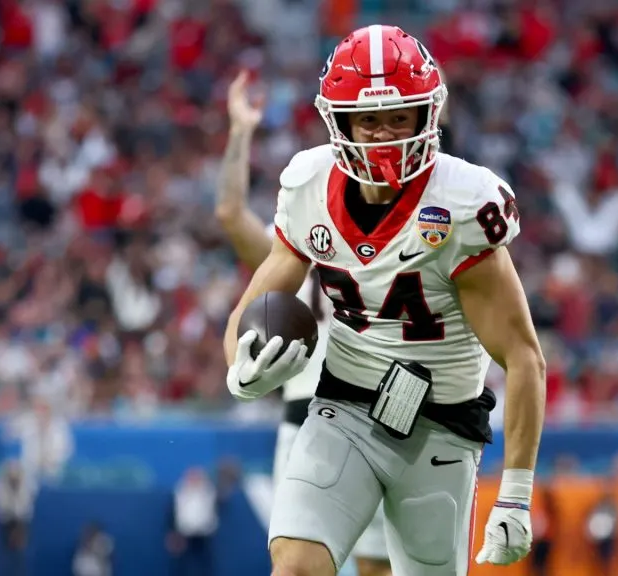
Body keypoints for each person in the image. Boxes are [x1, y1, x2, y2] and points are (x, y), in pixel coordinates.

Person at [223, 24, 546, 576]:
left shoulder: (464, 203)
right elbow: (256, 301)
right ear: (339, 122)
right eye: (369, 119)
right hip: (343, 407)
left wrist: (516, 491)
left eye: (400, 117)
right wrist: (238, 368)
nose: (384, 135)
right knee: (295, 566)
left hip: (441, 429)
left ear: (428, 116)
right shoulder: (308, 184)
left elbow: (523, 357)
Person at [214, 70, 393, 576]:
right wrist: (241, 130)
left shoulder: (403, 229)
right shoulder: (295, 243)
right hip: (316, 414)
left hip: (373, 412)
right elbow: (230, 212)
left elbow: (228, 212)